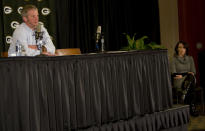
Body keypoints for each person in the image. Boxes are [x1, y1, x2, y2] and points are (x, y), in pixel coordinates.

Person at [170, 41, 199, 116]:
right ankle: (192, 108)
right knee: (191, 80)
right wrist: (186, 74)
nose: (182, 49)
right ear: (177, 49)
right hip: (179, 81)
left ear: (186, 49)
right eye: (180, 47)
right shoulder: (173, 59)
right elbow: (174, 73)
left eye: (184, 47)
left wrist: (184, 74)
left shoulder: (190, 58)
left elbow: (193, 72)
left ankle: (184, 95)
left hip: (190, 79)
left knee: (191, 77)